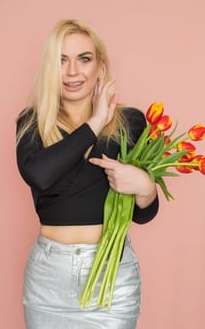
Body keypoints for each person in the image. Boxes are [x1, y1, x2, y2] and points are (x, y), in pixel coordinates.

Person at [16, 19, 159, 329]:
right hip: (48, 281)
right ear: (50, 68)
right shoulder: (32, 124)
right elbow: (40, 175)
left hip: (112, 279)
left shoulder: (130, 124)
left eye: (84, 59)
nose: (72, 72)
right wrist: (95, 122)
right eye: (61, 60)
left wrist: (145, 188)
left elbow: (144, 214)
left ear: (100, 67)